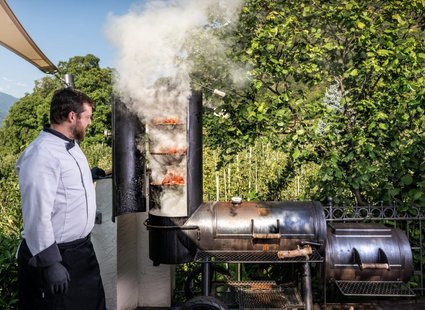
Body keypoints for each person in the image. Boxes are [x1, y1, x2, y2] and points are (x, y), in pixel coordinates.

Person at [15, 88, 106, 310]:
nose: (90, 123)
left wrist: (87, 175)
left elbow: (62, 184)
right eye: (88, 117)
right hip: (57, 256)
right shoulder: (41, 155)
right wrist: (51, 263)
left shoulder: (70, 144)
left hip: (81, 253)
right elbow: (37, 215)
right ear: (72, 116)